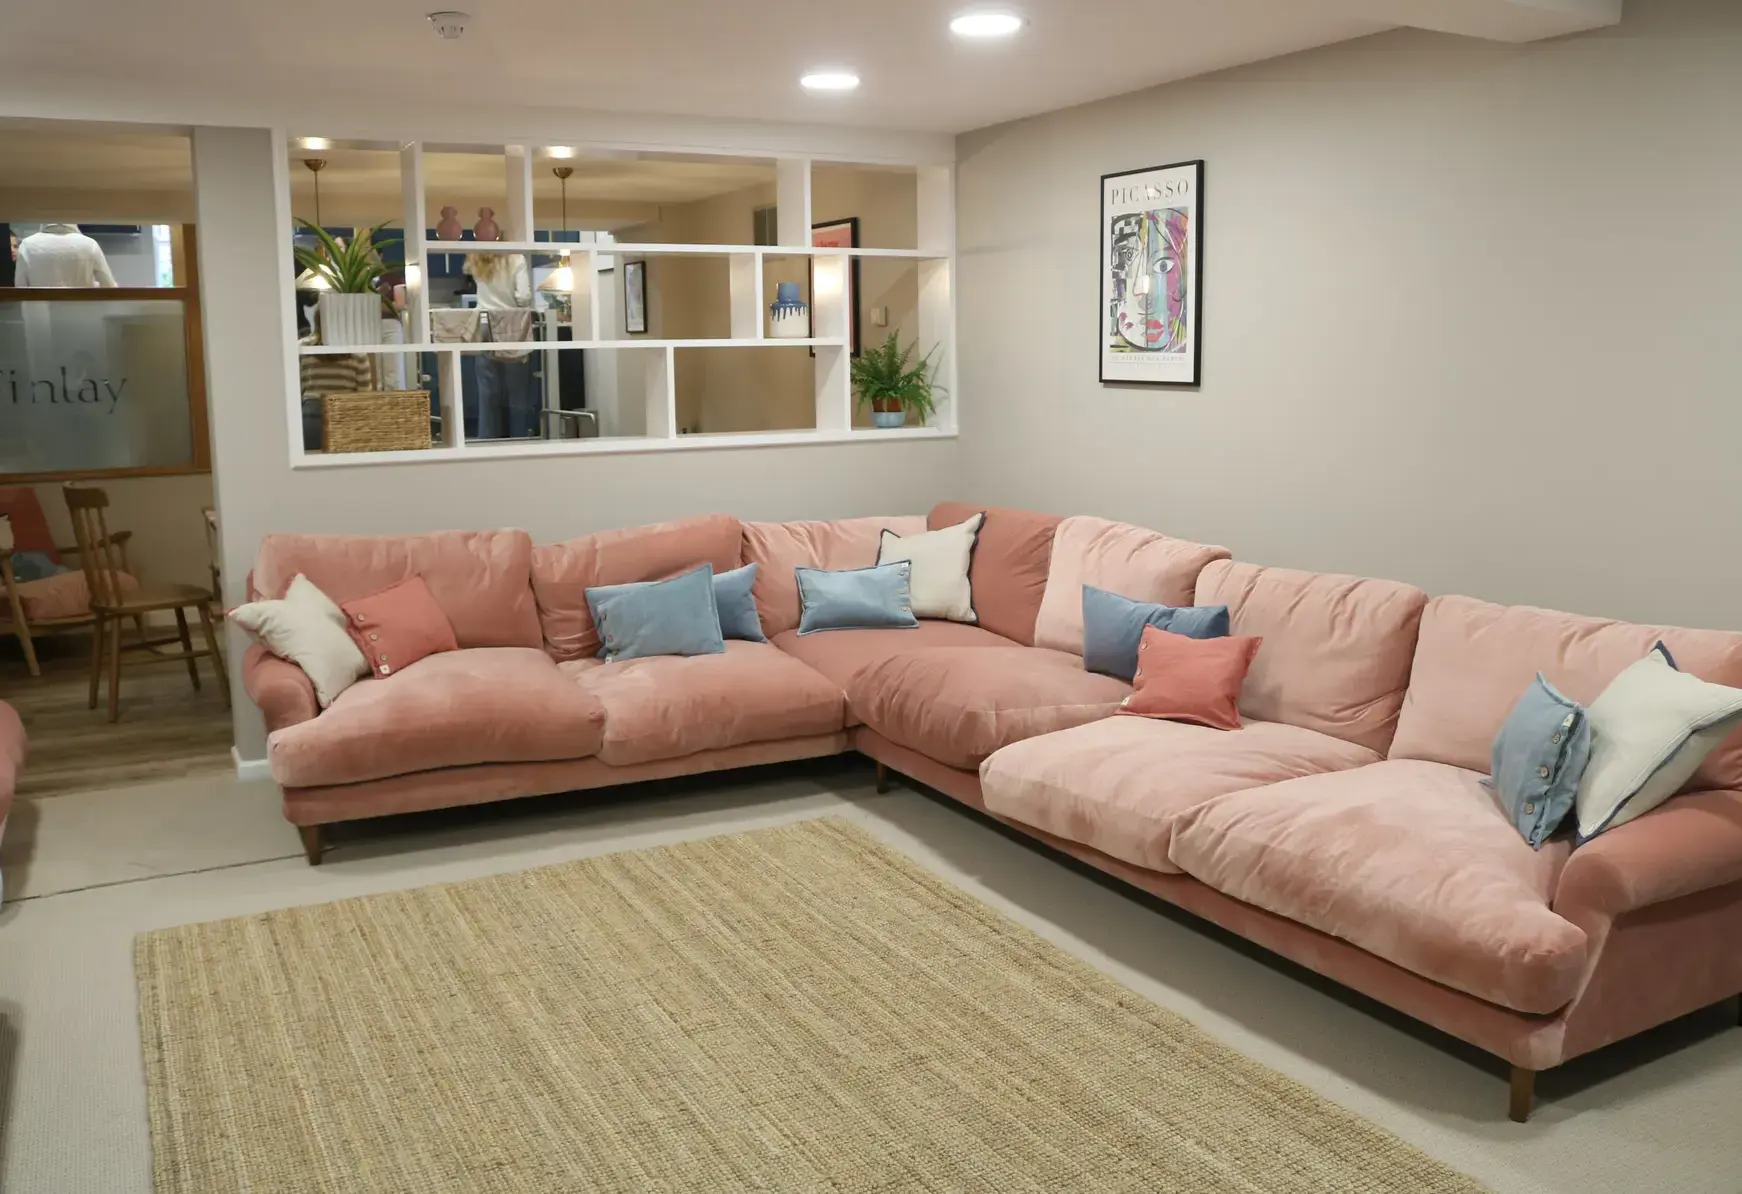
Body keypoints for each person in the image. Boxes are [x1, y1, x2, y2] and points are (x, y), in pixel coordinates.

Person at [463, 253, 537, 439]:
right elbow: (524, 297)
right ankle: (518, 440)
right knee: (517, 390)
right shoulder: (516, 258)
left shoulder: (476, 259)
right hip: (511, 324)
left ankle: (487, 441)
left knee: (487, 391)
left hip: (484, 323)